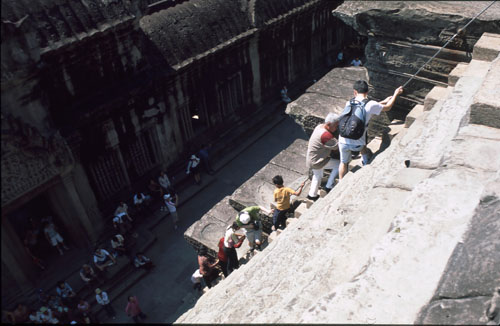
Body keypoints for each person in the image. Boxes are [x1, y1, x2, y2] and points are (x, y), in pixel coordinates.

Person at [338, 81, 403, 180]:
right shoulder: (371, 104)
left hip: (342, 140)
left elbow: (365, 108)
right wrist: (395, 94)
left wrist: (383, 101)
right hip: (358, 143)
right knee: (363, 143)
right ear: (367, 91)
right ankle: (365, 162)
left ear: (355, 92)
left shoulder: (349, 102)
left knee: (343, 162)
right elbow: (388, 107)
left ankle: (341, 183)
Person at [306, 112, 341, 201]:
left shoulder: (319, 127)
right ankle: (329, 185)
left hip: (311, 159)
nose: (336, 128)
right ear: (329, 124)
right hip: (318, 161)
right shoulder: (326, 135)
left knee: (317, 175)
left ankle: (312, 195)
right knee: (339, 164)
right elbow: (336, 146)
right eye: (336, 126)